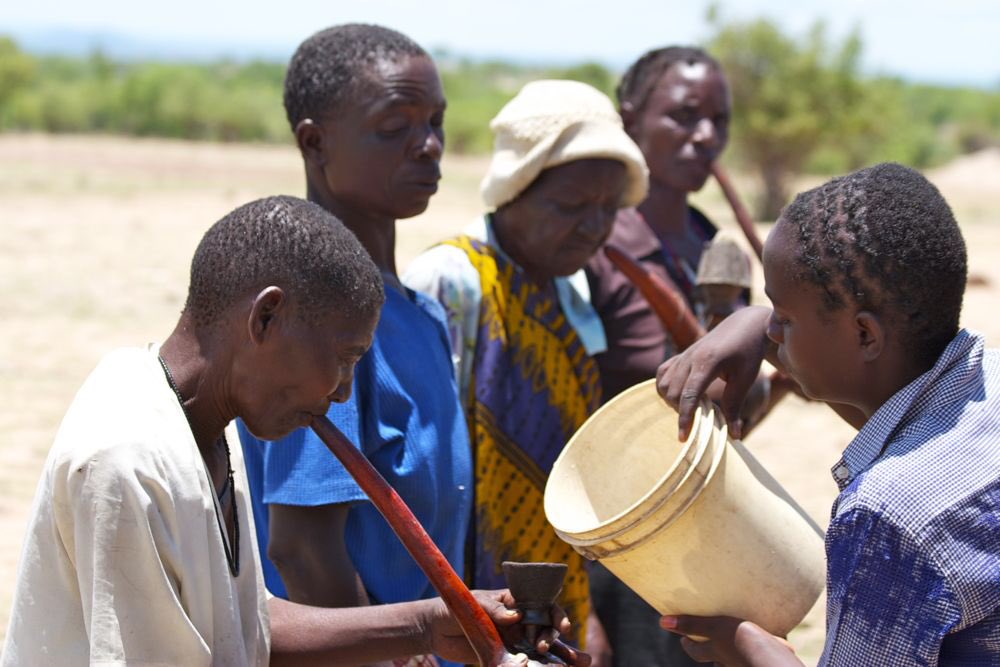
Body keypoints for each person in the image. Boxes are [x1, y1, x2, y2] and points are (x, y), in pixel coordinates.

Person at [1, 196, 583, 666]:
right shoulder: (128, 458)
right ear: (265, 317)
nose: (343, 391)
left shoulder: (202, 423)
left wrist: (429, 625)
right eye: (346, 357)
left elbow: (241, 626)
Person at [655, 163, 999, 665]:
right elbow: (904, 428)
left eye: (785, 318)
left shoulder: (889, 517)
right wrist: (756, 324)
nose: (772, 330)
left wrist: (748, 647)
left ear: (865, 335)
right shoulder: (982, 382)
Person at [236, 26, 473, 665]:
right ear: (314, 142)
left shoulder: (417, 313)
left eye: (436, 122)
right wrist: (389, 652)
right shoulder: (320, 324)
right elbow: (303, 548)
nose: (428, 146)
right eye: (395, 126)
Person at [404, 79, 648, 660]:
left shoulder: (570, 294)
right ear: (515, 189)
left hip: (551, 593)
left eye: (608, 210)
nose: (593, 227)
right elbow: (425, 472)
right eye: (570, 206)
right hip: (461, 600)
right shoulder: (452, 282)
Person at [583, 45, 753, 667]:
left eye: (718, 120)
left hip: (703, 531)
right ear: (630, 120)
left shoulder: (713, 243)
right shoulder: (595, 242)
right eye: (684, 116)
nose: (706, 136)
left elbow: (737, 409)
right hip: (617, 532)